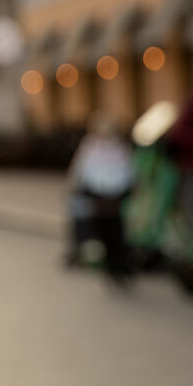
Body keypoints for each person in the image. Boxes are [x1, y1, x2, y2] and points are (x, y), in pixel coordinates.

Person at [65, 109, 135, 282]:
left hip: (115, 199)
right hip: (98, 197)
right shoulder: (90, 146)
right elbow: (81, 169)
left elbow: (127, 170)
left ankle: (119, 265)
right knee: (103, 232)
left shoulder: (119, 147)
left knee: (117, 233)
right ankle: (111, 265)